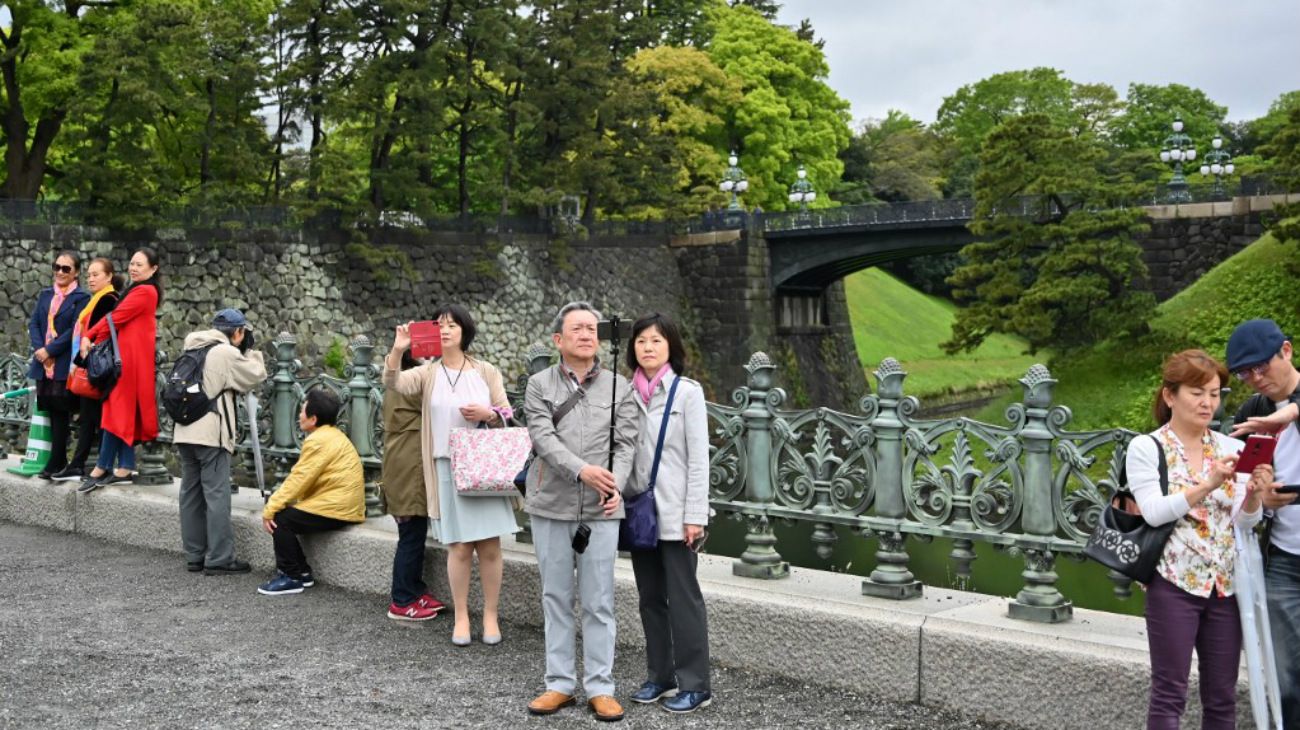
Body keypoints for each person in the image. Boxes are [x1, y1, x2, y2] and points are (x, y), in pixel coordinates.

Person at [1127, 349, 1265, 729]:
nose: (1208, 403)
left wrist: (1253, 493)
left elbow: (1247, 522)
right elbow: (1153, 511)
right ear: (1170, 395)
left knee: (1222, 697)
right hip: (1173, 582)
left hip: (1226, 586)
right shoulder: (1146, 448)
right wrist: (1209, 483)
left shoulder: (1233, 448)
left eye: (1216, 393)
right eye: (1197, 392)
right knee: (1169, 694)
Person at [523, 301, 637, 723]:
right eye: (577, 329)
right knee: (555, 596)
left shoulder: (617, 386)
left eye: (592, 329)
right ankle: (559, 683)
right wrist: (583, 471)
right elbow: (542, 437)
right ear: (559, 340)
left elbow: (627, 443)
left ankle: (601, 687)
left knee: (599, 600)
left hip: (601, 507)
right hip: (551, 503)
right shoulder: (539, 384)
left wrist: (615, 484)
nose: (587, 335)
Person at [382, 305, 516, 642]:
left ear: (464, 331)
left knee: (490, 548)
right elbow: (392, 381)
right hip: (446, 465)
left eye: (452, 325)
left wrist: (489, 414)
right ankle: (460, 616)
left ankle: (490, 615)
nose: (445, 330)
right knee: (459, 548)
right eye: (439, 325)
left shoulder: (486, 371)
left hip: (483, 464)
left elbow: (506, 413)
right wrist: (399, 348)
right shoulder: (428, 373)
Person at [622, 313, 712, 714]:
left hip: (677, 514)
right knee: (650, 599)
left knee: (684, 598)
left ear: (670, 347)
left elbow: (698, 461)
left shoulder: (687, 393)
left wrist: (696, 515)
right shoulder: (627, 393)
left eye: (656, 340)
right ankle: (659, 676)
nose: (648, 347)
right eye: (641, 340)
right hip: (641, 513)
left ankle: (696, 685)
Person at [1224, 319, 1300, 727]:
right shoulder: (1252, 410)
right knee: (1286, 677)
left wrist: (1285, 415)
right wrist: (1263, 499)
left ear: (1285, 351)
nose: (1255, 379)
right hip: (1284, 559)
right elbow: (1238, 487)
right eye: (1244, 373)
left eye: (1261, 367)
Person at [172, 309, 268, 575]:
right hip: (210, 433)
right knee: (216, 494)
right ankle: (219, 558)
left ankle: (194, 555)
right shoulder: (225, 353)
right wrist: (251, 351)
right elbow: (255, 375)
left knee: (190, 493)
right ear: (237, 332)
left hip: (184, 429)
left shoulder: (193, 345)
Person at [258, 388, 365, 595]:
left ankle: (291, 576)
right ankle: (302, 572)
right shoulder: (332, 435)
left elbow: (299, 479)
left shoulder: (318, 440)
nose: (299, 415)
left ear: (313, 418)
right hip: (344, 506)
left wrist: (270, 508)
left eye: (302, 411)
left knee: (280, 520)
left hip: (338, 508)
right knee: (286, 516)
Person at [79, 247, 163, 493]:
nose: (133, 268)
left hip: (130, 362)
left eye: (139, 264)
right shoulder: (139, 289)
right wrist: (92, 336)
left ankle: (102, 466)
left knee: (115, 410)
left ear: (153, 269)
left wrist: (90, 336)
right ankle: (124, 466)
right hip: (127, 360)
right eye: (132, 263)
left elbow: (116, 317)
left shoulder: (146, 291)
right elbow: (117, 319)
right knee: (120, 412)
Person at [378, 347, 447, 622]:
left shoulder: (399, 379)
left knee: (413, 533)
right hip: (410, 463)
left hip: (401, 461)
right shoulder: (413, 380)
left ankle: (414, 590)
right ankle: (403, 599)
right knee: (411, 534)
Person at [56, 258, 122, 482]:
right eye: (90, 275)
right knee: (88, 418)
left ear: (109, 276)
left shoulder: (108, 299)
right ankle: (80, 464)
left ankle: (99, 466)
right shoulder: (97, 299)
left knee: (96, 419)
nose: (91, 279)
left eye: (96, 275)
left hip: (97, 366)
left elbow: (97, 332)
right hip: (91, 364)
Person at [29, 251, 90, 480]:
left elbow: (75, 329)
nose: (60, 272)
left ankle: (57, 460)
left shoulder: (81, 297)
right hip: (44, 363)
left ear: (76, 272)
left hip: (63, 362)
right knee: (51, 411)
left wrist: (50, 350)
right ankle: (57, 459)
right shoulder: (46, 295)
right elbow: (35, 323)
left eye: (66, 268)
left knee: (61, 411)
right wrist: (40, 350)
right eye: (57, 267)